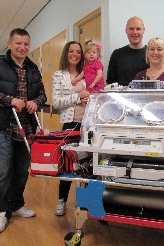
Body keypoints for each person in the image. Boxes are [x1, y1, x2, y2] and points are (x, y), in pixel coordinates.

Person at [0, 28, 47, 234]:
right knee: (3, 171)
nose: (22, 47)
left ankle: (16, 205)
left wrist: (36, 102)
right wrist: (10, 100)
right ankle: (0, 211)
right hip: (3, 126)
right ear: (10, 44)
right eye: (18, 43)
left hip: (26, 128)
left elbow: (42, 95)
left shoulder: (33, 69)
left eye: (26, 44)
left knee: (20, 171)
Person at [52, 41, 90, 216]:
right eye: (71, 51)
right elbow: (56, 102)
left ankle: (88, 202)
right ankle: (62, 200)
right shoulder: (59, 75)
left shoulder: (88, 73)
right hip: (69, 124)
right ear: (66, 53)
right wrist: (78, 97)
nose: (75, 54)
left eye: (78, 51)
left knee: (88, 165)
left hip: (88, 124)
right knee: (67, 164)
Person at [107, 16, 149, 86]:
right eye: (131, 29)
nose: (135, 32)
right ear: (126, 30)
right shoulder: (117, 54)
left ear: (143, 30)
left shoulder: (151, 54)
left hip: (147, 96)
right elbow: (111, 82)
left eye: (138, 29)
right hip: (122, 96)